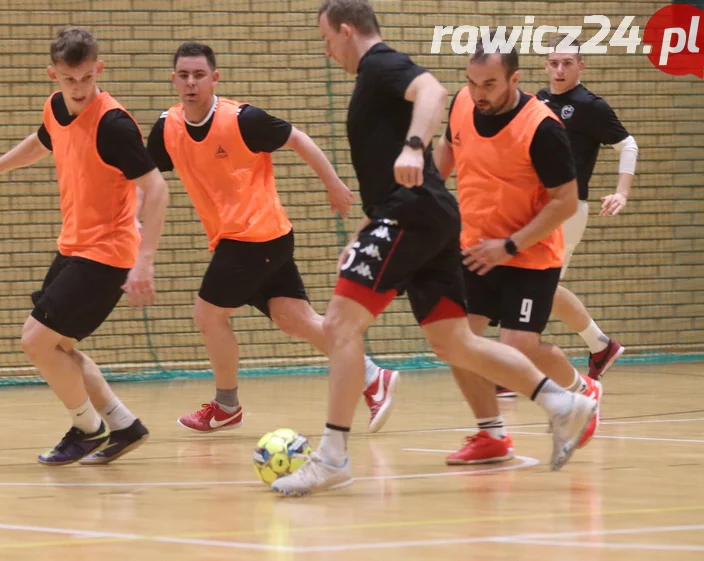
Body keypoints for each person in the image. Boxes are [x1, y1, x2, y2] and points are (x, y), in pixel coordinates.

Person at [270, 0, 597, 497]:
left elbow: (431, 88)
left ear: (344, 30)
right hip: (430, 214)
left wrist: (414, 146)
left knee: (339, 325)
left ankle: (332, 456)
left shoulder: (378, 62)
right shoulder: (376, 80)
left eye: (325, 40)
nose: (327, 50)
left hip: (414, 213)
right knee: (454, 344)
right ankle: (562, 403)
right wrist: (366, 226)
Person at [145, 41, 401, 435]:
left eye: (199, 75)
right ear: (173, 80)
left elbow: (298, 138)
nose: (191, 83)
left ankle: (226, 405)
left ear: (215, 78)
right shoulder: (168, 127)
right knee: (294, 319)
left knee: (207, 314)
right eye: (184, 75)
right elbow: (144, 176)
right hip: (254, 239)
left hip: (255, 237)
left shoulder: (243, 119)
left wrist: (333, 184)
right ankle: (372, 377)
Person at [0, 27, 170, 466]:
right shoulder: (56, 107)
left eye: (87, 78)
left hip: (109, 254)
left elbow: (157, 188)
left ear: (99, 70)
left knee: (35, 342)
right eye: (69, 80)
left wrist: (145, 261)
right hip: (74, 246)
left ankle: (87, 428)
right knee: (59, 349)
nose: (78, 89)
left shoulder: (113, 125)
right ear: (53, 74)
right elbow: (41, 142)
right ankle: (124, 424)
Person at [431, 36, 603, 466]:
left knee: (517, 346)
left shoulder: (541, 127)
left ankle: (581, 391)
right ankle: (492, 437)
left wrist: (509, 246)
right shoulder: (463, 104)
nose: (478, 93)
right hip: (475, 248)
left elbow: (564, 201)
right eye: (471, 82)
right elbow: (448, 150)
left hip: (529, 251)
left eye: (489, 84)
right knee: (455, 342)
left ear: (515, 78)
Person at [537, 34, 637, 380]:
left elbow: (628, 145)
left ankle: (513, 366)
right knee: (542, 287)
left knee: (532, 283)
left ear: (581, 65)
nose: (559, 69)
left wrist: (621, 191)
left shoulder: (591, 105)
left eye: (567, 62)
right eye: (553, 63)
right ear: (545, 65)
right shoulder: (537, 101)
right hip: (537, 208)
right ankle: (600, 346)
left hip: (567, 210)